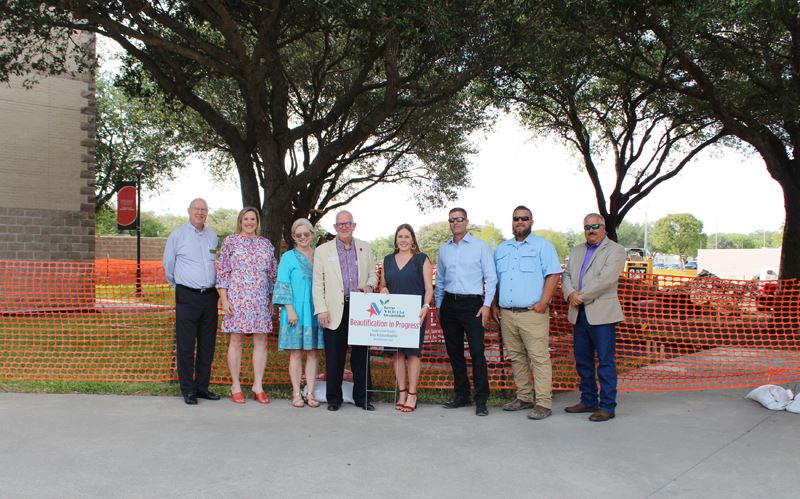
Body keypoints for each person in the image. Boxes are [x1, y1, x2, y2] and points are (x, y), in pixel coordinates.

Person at [491, 206, 562, 420]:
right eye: (516, 218)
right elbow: (495, 280)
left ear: (531, 221)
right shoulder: (502, 249)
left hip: (533, 313)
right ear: (511, 222)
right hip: (507, 314)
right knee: (517, 357)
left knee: (539, 358)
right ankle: (523, 397)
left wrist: (543, 302)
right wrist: (494, 305)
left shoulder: (543, 246)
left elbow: (553, 275)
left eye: (524, 218)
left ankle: (543, 403)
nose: (519, 221)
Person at [561, 213, 626, 422]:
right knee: (583, 361)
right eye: (587, 227)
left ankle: (607, 406)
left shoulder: (615, 250)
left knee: (605, 362)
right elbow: (567, 275)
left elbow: (606, 279)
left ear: (603, 226)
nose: (591, 230)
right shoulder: (577, 249)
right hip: (578, 314)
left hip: (602, 315)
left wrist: (580, 296)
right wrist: (570, 293)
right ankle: (588, 400)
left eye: (595, 226)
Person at [312, 210, 378, 411]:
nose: (344, 227)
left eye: (347, 223)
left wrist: (369, 286)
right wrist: (321, 309)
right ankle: (334, 399)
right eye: (340, 224)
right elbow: (317, 283)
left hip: (360, 308)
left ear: (354, 225)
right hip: (333, 310)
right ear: (335, 227)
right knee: (334, 356)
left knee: (361, 355)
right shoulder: (323, 251)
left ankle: (363, 398)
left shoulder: (365, 248)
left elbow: (374, 274)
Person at [435, 207, 497, 416]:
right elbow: (441, 280)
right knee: (455, 353)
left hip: (473, 306)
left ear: (467, 221)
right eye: (452, 220)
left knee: (478, 352)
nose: (455, 223)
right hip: (449, 305)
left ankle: (481, 400)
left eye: (459, 219)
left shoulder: (480, 246)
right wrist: (438, 305)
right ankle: (462, 395)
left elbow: (491, 277)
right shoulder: (444, 249)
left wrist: (487, 305)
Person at [216, 207, 277, 404]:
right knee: (236, 340)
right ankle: (235, 385)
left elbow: (272, 274)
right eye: (246, 218)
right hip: (237, 299)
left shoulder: (266, 244)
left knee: (261, 341)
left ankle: (257, 385)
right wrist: (224, 299)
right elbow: (223, 272)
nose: (250, 222)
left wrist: (271, 300)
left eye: (253, 219)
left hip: (260, 299)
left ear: (257, 221)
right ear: (240, 221)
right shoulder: (230, 242)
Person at [163, 198, 220, 405]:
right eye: (197, 209)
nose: (200, 212)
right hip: (187, 295)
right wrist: (178, 285)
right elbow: (168, 265)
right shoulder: (178, 235)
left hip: (210, 296)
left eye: (204, 209)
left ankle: (202, 387)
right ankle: (188, 389)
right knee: (186, 345)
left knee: (207, 345)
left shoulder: (213, 237)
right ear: (189, 211)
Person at [379, 224, 434, 413]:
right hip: (394, 315)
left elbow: (429, 288)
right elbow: (383, 285)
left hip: (415, 313)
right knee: (396, 353)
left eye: (407, 236)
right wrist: (383, 289)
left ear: (413, 240)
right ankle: (401, 391)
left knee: (412, 353)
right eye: (400, 236)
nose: (403, 240)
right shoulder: (387, 260)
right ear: (396, 240)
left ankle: (412, 394)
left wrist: (426, 306)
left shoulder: (421, 259)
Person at [273, 218, 324, 408]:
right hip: (293, 311)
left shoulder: (319, 256)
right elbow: (282, 284)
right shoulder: (288, 257)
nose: (303, 237)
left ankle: (310, 393)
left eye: (306, 234)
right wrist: (290, 309)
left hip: (315, 311)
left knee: (312, 353)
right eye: (298, 235)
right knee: (296, 353)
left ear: (312, 234)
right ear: (293, 237)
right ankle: (296, 393)